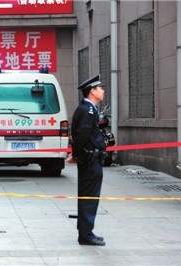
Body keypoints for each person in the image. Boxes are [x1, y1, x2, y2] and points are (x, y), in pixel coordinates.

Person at [70, 74, 107, 246]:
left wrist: (75, 154)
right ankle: (85, 235)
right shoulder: (87, 110)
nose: (103, 91)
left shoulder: (89, 109)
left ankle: (87, 232)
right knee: (89, 198)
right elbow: (82, 135)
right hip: (90, 162)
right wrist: (75, 154)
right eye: (100, 88)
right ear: (92, 91)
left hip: (92, 160)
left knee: (90, 197)